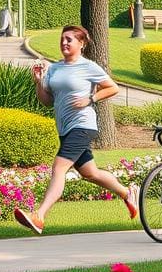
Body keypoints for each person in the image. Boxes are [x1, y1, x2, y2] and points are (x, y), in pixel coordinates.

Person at [12, 26, 139, 234]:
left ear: (82, 44)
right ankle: (128, 193)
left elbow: (112, 87)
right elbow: (47, 102)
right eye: (62, 39)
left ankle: (39, 216)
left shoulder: (89, 67)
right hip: (65, 128)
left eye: (69, 39)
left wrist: (91, 98)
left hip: (83, 125)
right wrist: (38, 83)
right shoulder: (54, 69)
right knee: (90, 173)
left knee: (59, 168)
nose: (64, 43)